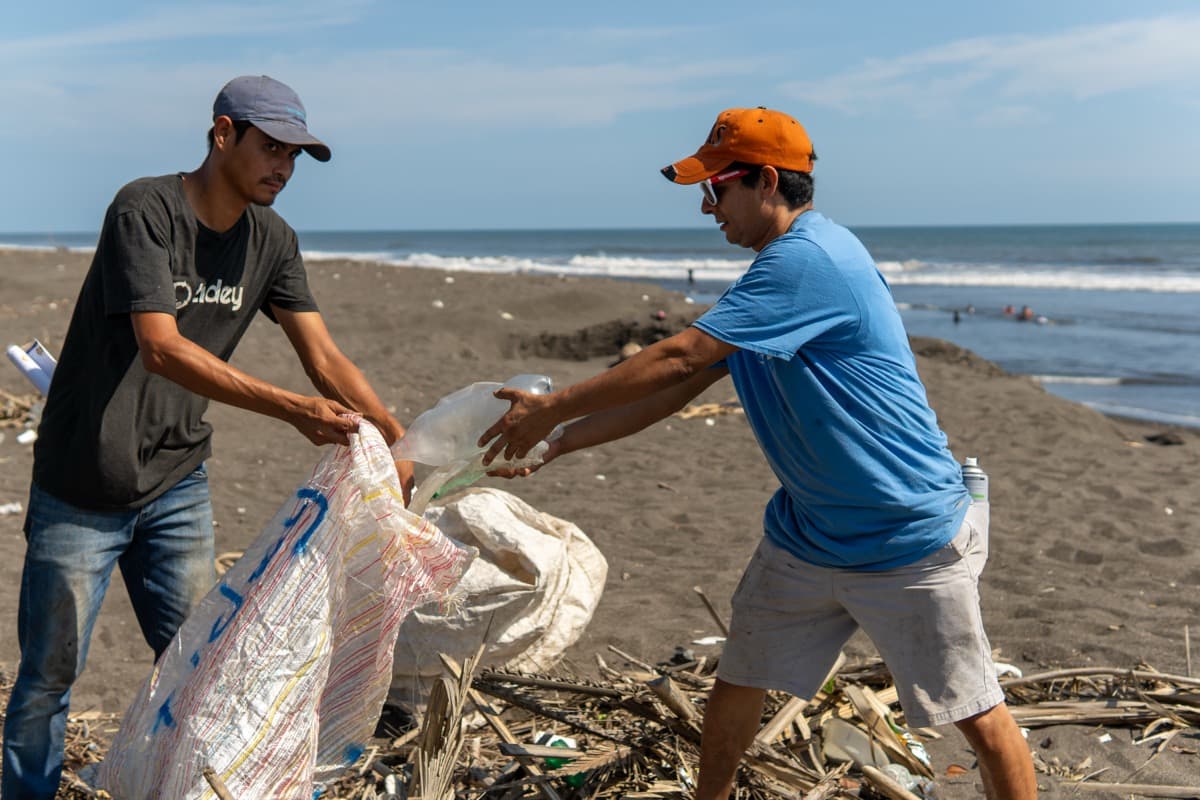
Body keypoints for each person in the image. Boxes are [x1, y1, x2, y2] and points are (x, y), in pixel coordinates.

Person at [480, 107, 1036, 799]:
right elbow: (680, 388)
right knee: (738, 680)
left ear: (767, 181)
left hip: (905, 535)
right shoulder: (771, 279)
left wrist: (555, 405)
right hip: (808, 535)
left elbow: (683, 356)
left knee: (976, 716)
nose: (707, 208)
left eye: (717, 188)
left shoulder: (809, 262)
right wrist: (562, 441)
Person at [2, 75, 414, 800]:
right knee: (47, 678)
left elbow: (323, 359)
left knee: (207, 663)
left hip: (176, 486)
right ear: (223, 134)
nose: (284, 167)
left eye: (296, 155)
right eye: (272, 147)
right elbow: (161, 347)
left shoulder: (273, 240)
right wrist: (292, 410)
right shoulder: (145, 209)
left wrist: (392, 435)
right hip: (80, 484)